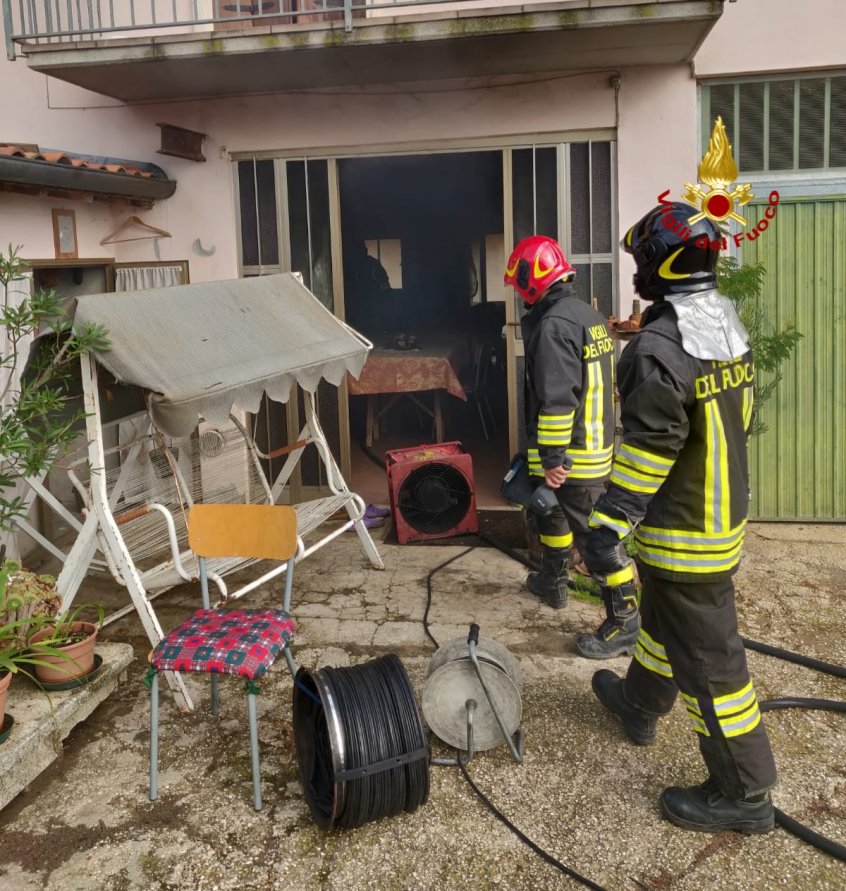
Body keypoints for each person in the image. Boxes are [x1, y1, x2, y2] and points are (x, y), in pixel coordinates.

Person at [581, 201, 777, 833]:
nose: (636, 272)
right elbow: (735, 422)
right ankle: (639, 703)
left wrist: (608, 524)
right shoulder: (724, 326)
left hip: (682, 531)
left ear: (662, 264)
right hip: (719, 513)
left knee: (712, 665)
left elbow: (647, 451)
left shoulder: (659, 348)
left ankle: (744, 794)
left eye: (640, 260)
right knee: (664, 624)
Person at [503, 236, 616, 611]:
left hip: (570, 458)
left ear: (531, 279)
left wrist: (552, 459)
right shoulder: (587, 315)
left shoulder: (553, 326)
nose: (520, 296)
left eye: (520, 287)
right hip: (590, 448)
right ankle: (552, 582)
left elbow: (557, 399)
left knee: (595, 540)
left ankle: (625, 619)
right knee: (551, 514)